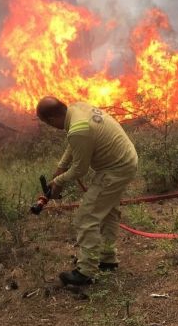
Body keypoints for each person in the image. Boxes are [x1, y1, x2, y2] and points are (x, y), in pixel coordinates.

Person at [36, 97, 139, 286]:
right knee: (108, 212)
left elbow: (80, 169)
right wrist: (61, 167)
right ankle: (107, 259)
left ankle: (85, 272)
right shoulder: (77, 108)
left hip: (115, 169)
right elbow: (74, 143)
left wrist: (57, 181)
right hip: (125, 160)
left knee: (86, 217)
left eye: (48, 124)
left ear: (51, 119)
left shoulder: (78, 129)